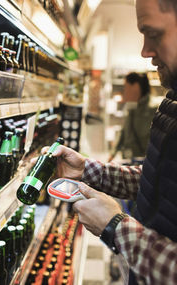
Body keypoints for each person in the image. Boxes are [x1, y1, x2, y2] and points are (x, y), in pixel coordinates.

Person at [39, 0, 177, 284]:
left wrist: (116, 228)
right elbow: (160, 178)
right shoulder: (172, 101)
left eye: (153, 33)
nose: (145, 52)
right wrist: (90, 170)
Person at [108, 72, 157, 161]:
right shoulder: (132, 107)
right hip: (131, 160)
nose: (124, 91)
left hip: (145, 164)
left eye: (126, 87)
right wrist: (112, 154)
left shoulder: (154, 109)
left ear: (135, 86)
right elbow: (124, 132)